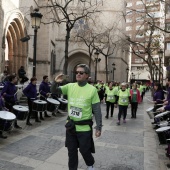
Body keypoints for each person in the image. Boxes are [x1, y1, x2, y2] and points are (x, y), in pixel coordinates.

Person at [50, 64, 102, 170]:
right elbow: (54, 91)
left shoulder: (92, 90)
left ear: (87, 75)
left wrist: (99, 127)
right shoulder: (70, 86)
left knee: (84, 150)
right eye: (76, 72)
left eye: (81, 73)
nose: (78, 74)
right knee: (71, 152)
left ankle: (90, 164)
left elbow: (97, 110)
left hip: (84, 127)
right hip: (71, 126)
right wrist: (55, 82)